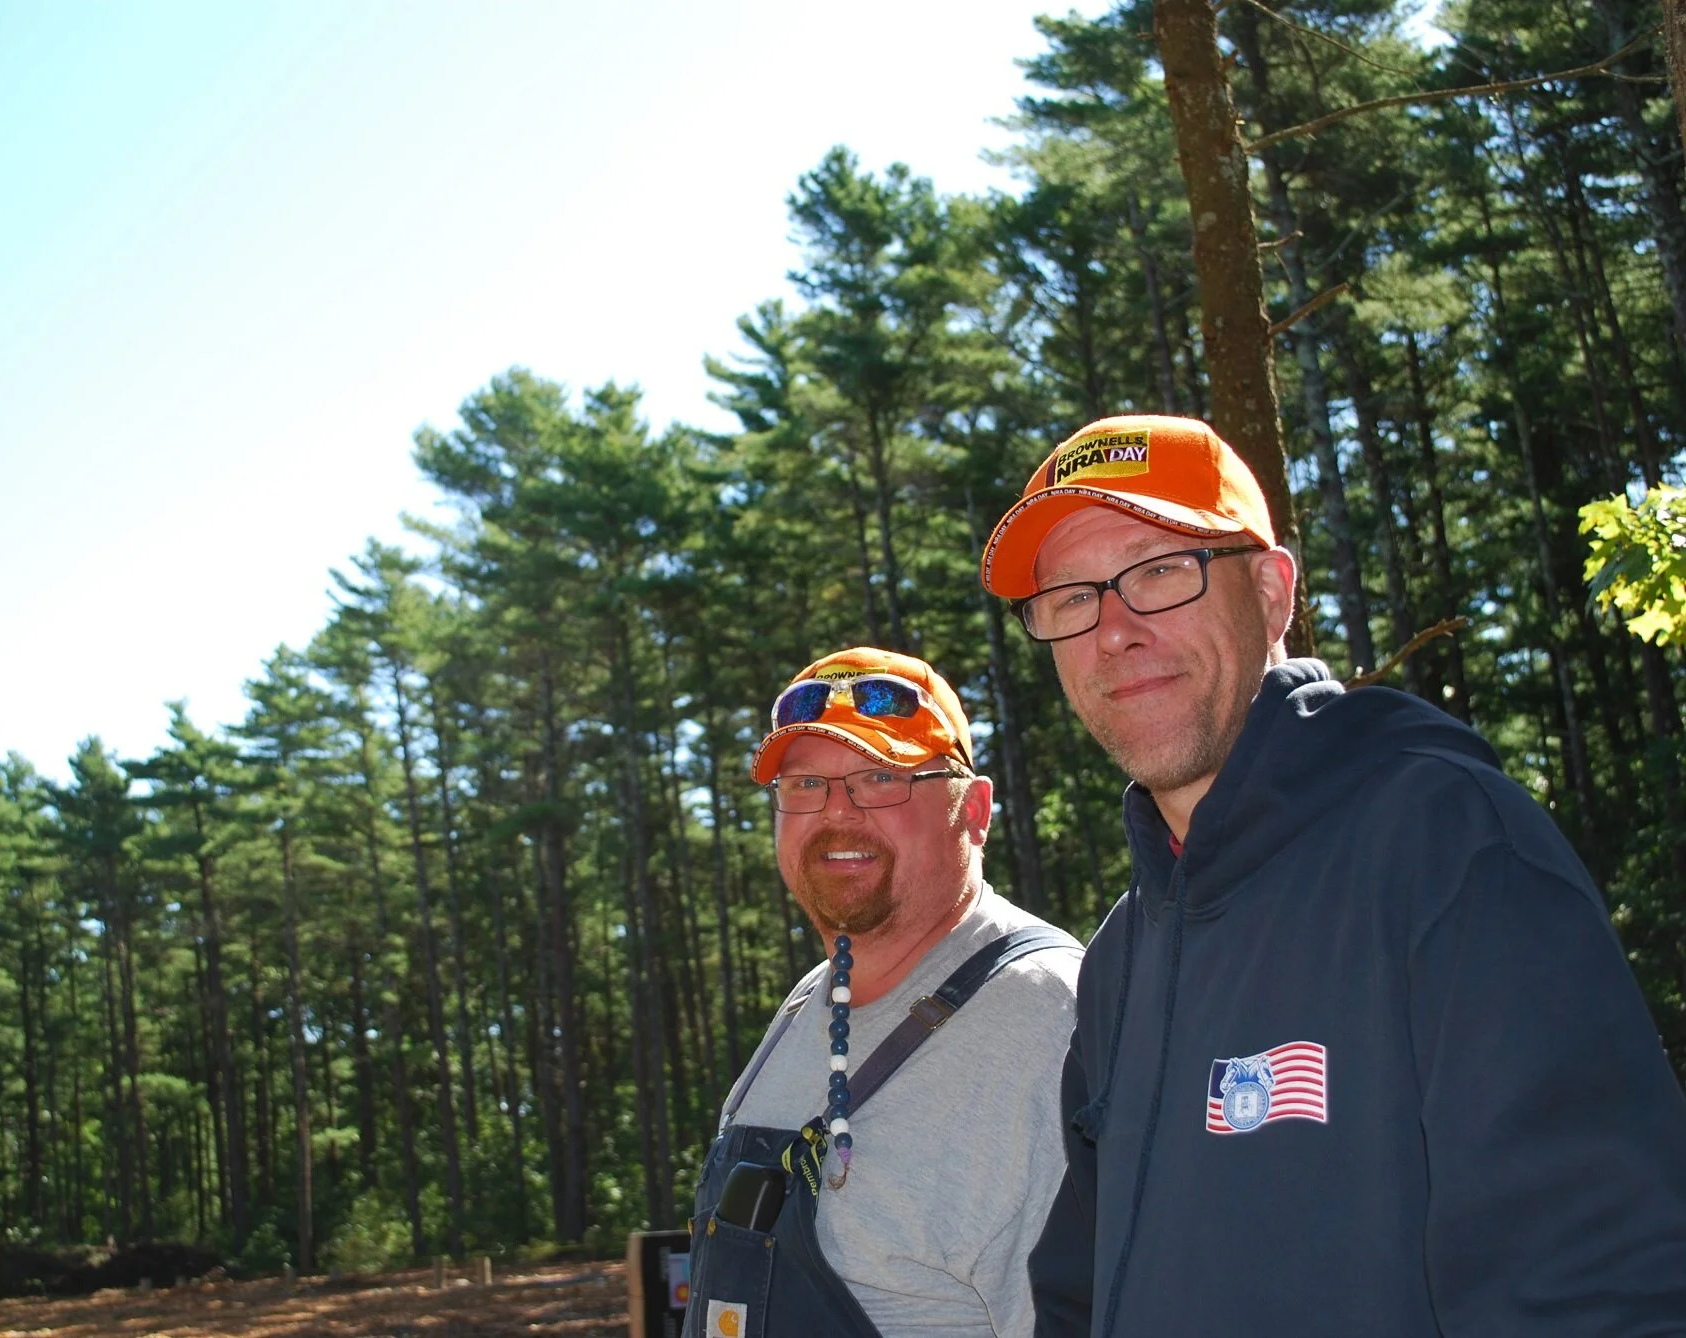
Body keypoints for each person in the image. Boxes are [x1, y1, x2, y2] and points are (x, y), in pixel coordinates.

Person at [976, 414, 1686, 1337]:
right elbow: (1078, 1295)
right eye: (1072, 596)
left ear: (1272, 595)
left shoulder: (1446, 844)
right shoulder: (1120, 960)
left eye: (1160, 571)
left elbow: (1604, 1284)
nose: (1115, 629)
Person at [684, 647, 1082, 1338]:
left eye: (880, 778)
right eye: (805, 784)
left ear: (976, 811)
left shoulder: (1052, 1018)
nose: (837, 812)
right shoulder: (806, 1002)